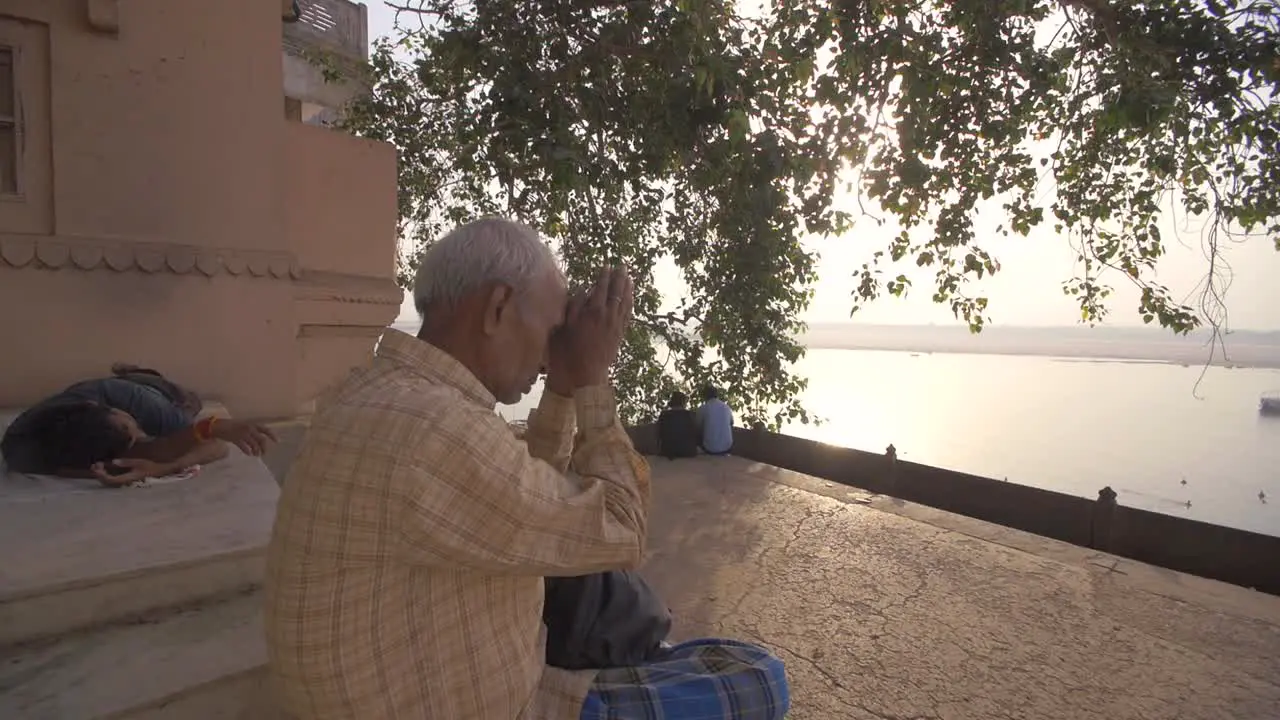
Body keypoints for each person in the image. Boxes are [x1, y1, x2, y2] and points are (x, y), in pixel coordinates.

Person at [264, 217, 789, 720]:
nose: (548, 354)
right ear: (497, 308)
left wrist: (559, 387)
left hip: (424, 682)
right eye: (551, 328)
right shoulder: (438, 428)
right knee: (758, 677)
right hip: (502, 706)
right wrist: (590, 379)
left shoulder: (374, 396)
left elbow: (527, 488)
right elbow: (622, 530)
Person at [1, 364, 278, 485]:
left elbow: (216, 447)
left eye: (133, 428)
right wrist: (101, 471)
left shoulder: (136, 405)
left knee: (187, 402)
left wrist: (162, 467)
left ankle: (141, 374)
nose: (140, 435)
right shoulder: (22, 445)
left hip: (157, 394)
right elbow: (65, 467)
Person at [656, 391, 699, 459]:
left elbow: (659, 433)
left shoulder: (664, 415)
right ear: (683, 402)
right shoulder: (691, 415)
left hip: (667, 451)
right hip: (688, 451)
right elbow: (697, 433)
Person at [696, 384, 735, 456]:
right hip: (727, 448)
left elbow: (698, 426)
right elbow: (732, 423)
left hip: (709, 448)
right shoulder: (726, 407)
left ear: (704, 396)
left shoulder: (703, 408)